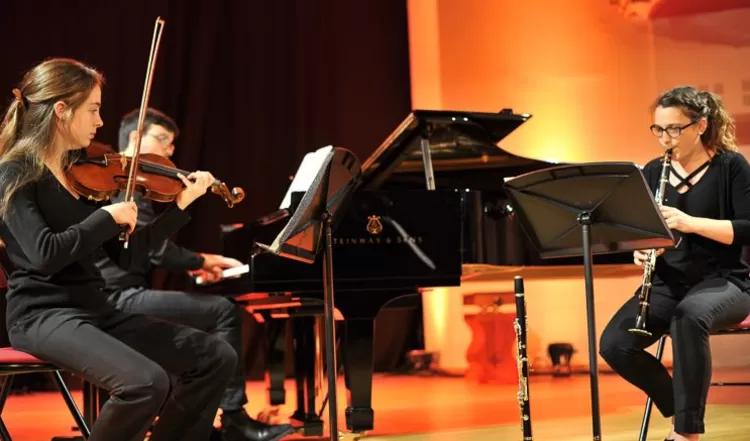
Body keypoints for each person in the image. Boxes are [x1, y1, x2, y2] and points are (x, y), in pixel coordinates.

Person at [0, 57, 238, 441]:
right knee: (146, 383)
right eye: (93, 110)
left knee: (215, 356)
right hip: (42, 315)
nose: (99, 122)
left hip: (95, 309)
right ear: (61, 111)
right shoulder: (14, 173)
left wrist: (178, 209)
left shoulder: (81, 172)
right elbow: (46, 254)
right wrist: (105, 218)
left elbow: (128, 256)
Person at [94, 107, 295, 441]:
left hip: (122, 293)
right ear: (135, 138)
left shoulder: (132, 183)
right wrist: (204, 261)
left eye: (172, 145)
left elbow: (150, 249)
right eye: (163, 140)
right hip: (116, 297)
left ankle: (198, 418)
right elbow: (155, 251)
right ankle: (232, 418)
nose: (170, 152)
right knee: (222, 312)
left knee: (206, 316)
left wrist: (203, 261)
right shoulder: (122, 186)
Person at [599, 85, 750, 441]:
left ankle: (686, 432)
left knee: (689, 317)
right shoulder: (654, 171)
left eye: (673, 129)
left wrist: (688, 222)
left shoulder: (730, 166)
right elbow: (646, 231)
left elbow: (747, 228)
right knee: (614, 345)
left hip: (726, 281)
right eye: (658, 129)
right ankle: (683, 408)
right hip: (669, 282)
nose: (665, 138)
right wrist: (642, 249)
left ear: (700, 126)